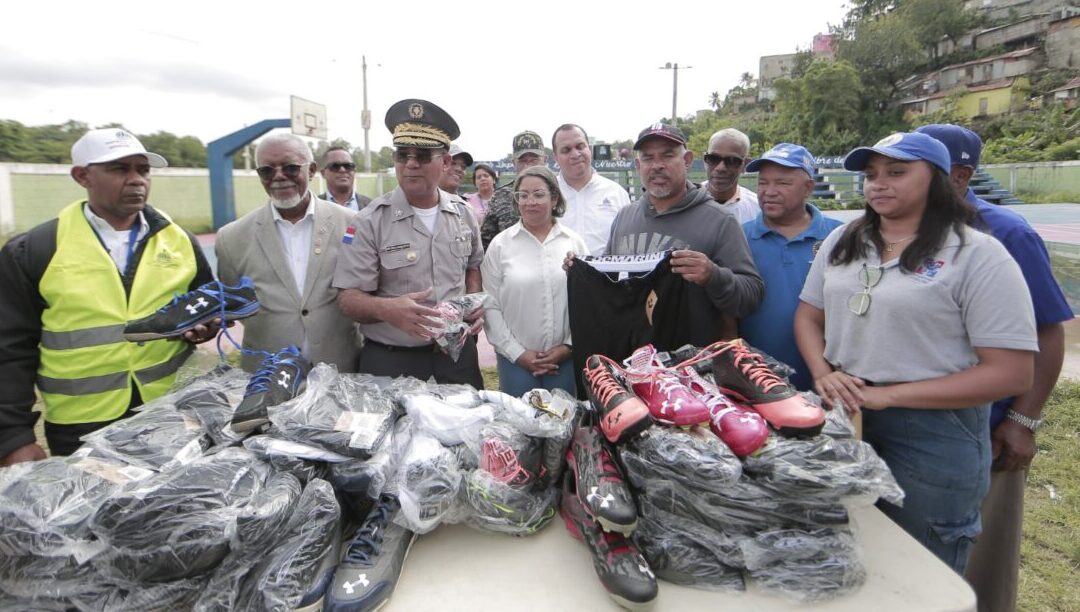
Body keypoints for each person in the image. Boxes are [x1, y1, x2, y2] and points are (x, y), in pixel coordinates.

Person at [794, 131, 1038, 575]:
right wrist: (823, 372)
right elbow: (808, 317)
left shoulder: (977, 254)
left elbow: (1011, 373)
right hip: (846, 412)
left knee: (924, 562)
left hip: (933, 430)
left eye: (897, 172)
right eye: (871, 175)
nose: (878, 184)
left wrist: (889, 396)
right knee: (846, 545)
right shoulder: (845, 240)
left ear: (938, 178)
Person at [916, 123, 1073, 610]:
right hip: (917, 426)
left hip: (989, 426)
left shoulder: (1006, 233)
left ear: (960, 175)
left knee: (981, 561)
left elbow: (1047, 332)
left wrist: (1022, 422)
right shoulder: (910, 228)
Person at [0, 128, 216, 464]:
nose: (136, 180)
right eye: (119, 169)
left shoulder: (180, 241)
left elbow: (202, 308)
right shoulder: (35, 249)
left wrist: (204, 326)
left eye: (143, 170)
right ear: (82, 176)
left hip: (171, 414)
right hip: (81, 425)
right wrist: (13, 437)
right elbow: (9, 349)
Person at [334, 98, 484, 388]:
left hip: (456, 356)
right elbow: (347, 299)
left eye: (423, 155)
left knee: (467, 432)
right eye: (403, 155)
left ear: (446, 161)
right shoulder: (369, 222)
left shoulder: (463, 213)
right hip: (393, 363)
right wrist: (387, 310)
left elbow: (473, 266)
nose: (411, 164)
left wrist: (473, 303)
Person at [216, 133, 362, 373]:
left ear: (312, 170)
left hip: (341, 372)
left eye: (291, 168)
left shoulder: (352, 224)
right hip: (266, 378)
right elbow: (237, 304)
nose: (279, 176)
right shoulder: (231, 238)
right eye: (267, 170)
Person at [604, 122, 764, 332]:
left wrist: (713, 276)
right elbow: (607, 286)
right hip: (631, 358)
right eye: (648, 158)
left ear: (687, 160)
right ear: (638, 165)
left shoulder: (720, 220)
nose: (657, 165)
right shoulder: (624, 217)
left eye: (667, 155)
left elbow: (751, 295)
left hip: (691, 360)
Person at [740, 143, 842, 391]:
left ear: (808, 187)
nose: (769, 192)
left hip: (828, 379)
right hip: (757, 382)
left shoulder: (839, 236)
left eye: (783, 183)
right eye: (763, 183)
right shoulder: (739, 237)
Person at [482, 165, 586, 396]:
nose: (530, 202)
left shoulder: (574, 243)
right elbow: (490, 305)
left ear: (554, 198)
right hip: (515, 362)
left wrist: (568, 346)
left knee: (565, 426)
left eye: (539, 194)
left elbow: (588, 303)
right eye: (523, 195)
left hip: (565, 361)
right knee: (520, 427)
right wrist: (517, 353)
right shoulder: (500, 246)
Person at [552, 124, 629, 256]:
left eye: (580, 146)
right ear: (556, 157)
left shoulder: (616, 193)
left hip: (606, 275)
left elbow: (628, 244)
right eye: (566, 150)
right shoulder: (547, 194)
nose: (575, 154)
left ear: (589, 149)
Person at [480, 130, 548, 249]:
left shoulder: (557, 193)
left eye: (534, 160)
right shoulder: (500, 196)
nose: (528, 166)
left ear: (545, 160)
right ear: (513, 163)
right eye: (523, 161)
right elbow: (486, 242)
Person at [702, 128, 759, 224]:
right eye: (713, 158)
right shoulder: (684, 203)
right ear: (705, 160)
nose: (720, 168)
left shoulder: (757, 211)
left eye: (732, 161)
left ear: (745, 164)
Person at [318, 146, 372, 211]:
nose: (342, 170)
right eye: (335, 166)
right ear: (323, 173)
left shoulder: (371, 206)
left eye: (348, 166)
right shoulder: (312, 207)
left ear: (354, 171)